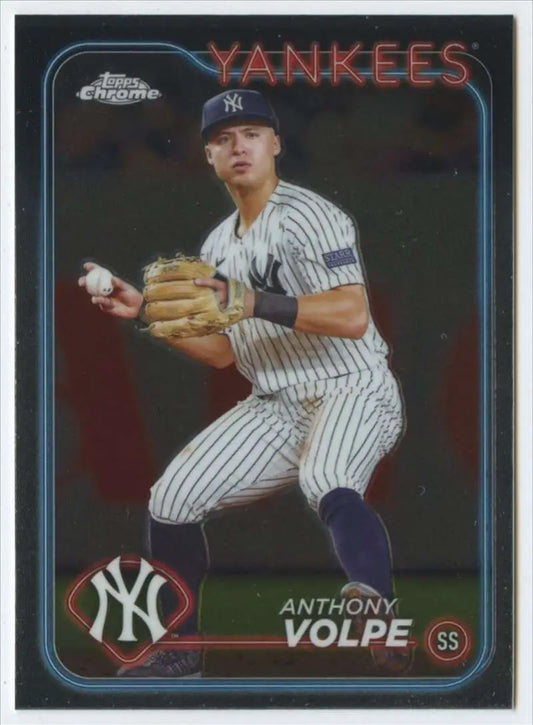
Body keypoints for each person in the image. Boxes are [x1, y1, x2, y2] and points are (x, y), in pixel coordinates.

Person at [79, 89, 410, 677]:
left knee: (327, 475)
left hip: (351, 385)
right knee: (172, 498)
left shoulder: (310, 215)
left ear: (276, 144)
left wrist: (251, 299)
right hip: (274, 402)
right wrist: (148, 314)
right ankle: (180, 649)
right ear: (209, 156)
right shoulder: (216, 246)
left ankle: (378, 615)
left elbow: (352, 313)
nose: (239, 147)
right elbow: (222, 355)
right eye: (224, 138)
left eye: (252, 134)